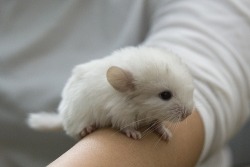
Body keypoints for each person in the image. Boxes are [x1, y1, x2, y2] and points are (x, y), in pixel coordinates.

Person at [0, 0, 249, 166]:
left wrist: (156, 125)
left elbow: (215, 64)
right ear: (125, 86)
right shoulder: (119, 93)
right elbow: (121, 116)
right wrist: (129, 128)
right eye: (164, 96)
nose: (185, 110)